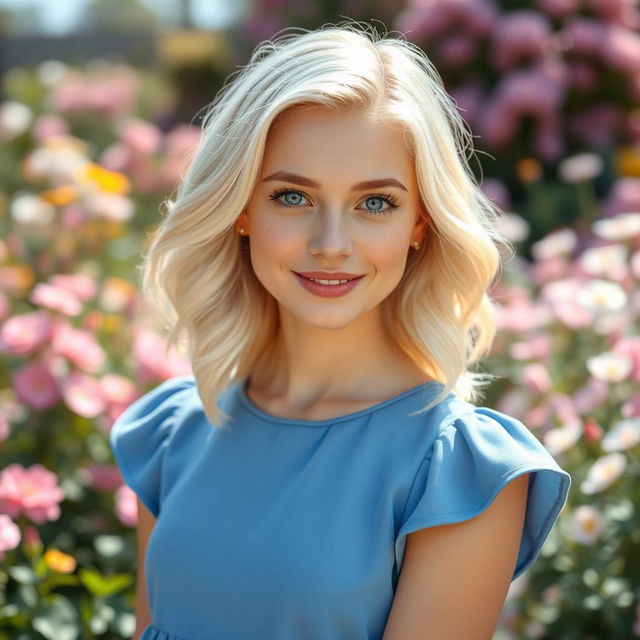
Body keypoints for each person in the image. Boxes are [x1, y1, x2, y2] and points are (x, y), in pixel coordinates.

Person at [109, 21, 571, 640]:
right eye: (292, 198)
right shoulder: (173, 432)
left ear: (420, 223)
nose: (331, 245)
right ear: (241, 208)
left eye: (374, 203)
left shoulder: (459, 475)